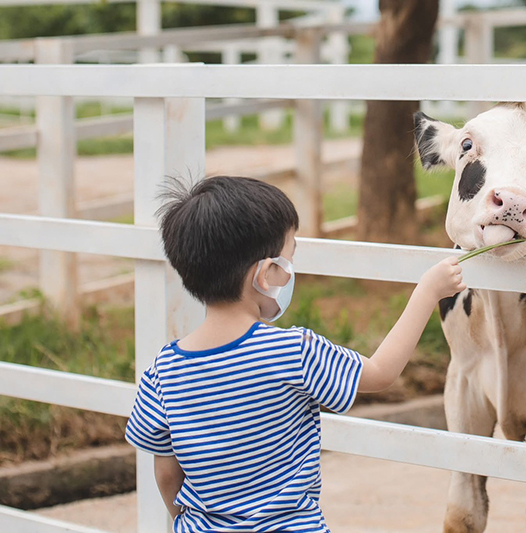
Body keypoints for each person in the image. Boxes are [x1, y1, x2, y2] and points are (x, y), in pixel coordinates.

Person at [125, 176, 465, 532]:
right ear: (264, 274)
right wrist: (428, 292)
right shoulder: (291, 353)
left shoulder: (162, 372)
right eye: (288, 260)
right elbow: (380, 372)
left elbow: (165, 474)